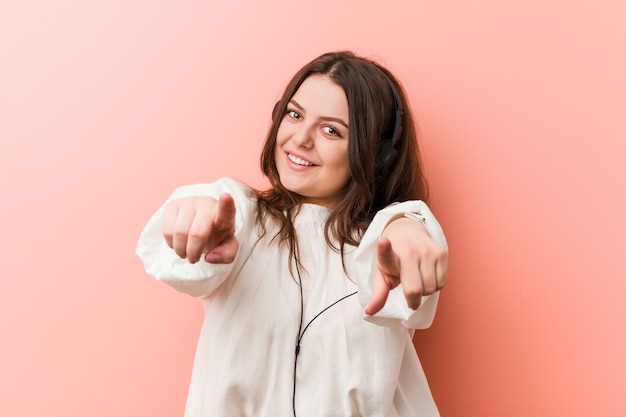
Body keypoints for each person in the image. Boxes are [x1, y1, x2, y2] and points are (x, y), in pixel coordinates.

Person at [136, 50, 448, 417]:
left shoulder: (387, 238)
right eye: (294, 114)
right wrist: (194, 217)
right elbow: (186, 244)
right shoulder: (241, 217)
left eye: (331, 130)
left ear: (376, 154)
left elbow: (402, 244)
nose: (300, 138)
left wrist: (407, 230)